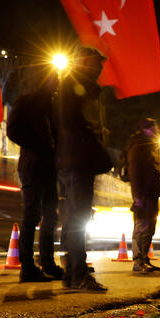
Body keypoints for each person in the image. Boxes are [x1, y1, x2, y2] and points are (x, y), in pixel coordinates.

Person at [55, 46, 113, 292]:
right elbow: (75, 122)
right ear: (83, 63)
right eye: (96, 63)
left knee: (73, 216)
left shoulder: (69, 86)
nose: (100, 69)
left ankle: (72, 272)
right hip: (77, 160)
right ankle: (78, 273)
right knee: (78, 216)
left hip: (71, 160)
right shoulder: (76, 87)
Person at [7, 69, 61, 282]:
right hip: (32, 164)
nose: (56, 85)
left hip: (49, 166)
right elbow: (13, 130)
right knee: (32, 215)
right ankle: (27, 267)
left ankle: (48, 263)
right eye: (54, 81)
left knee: (51, 215)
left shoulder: (53, 106)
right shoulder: (27, 101)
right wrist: (38, 146)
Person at [126, 118, 160, 273]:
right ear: (143, 130)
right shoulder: (138, 147)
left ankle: (144, 258)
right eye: (151, 127)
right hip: (143, 194)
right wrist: (137, 196)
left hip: (152, 193)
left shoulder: (149, 147)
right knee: (141, 227)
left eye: (155, 125)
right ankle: (138, 260)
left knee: (150, 228)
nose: (155, 129)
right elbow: (134, 173)